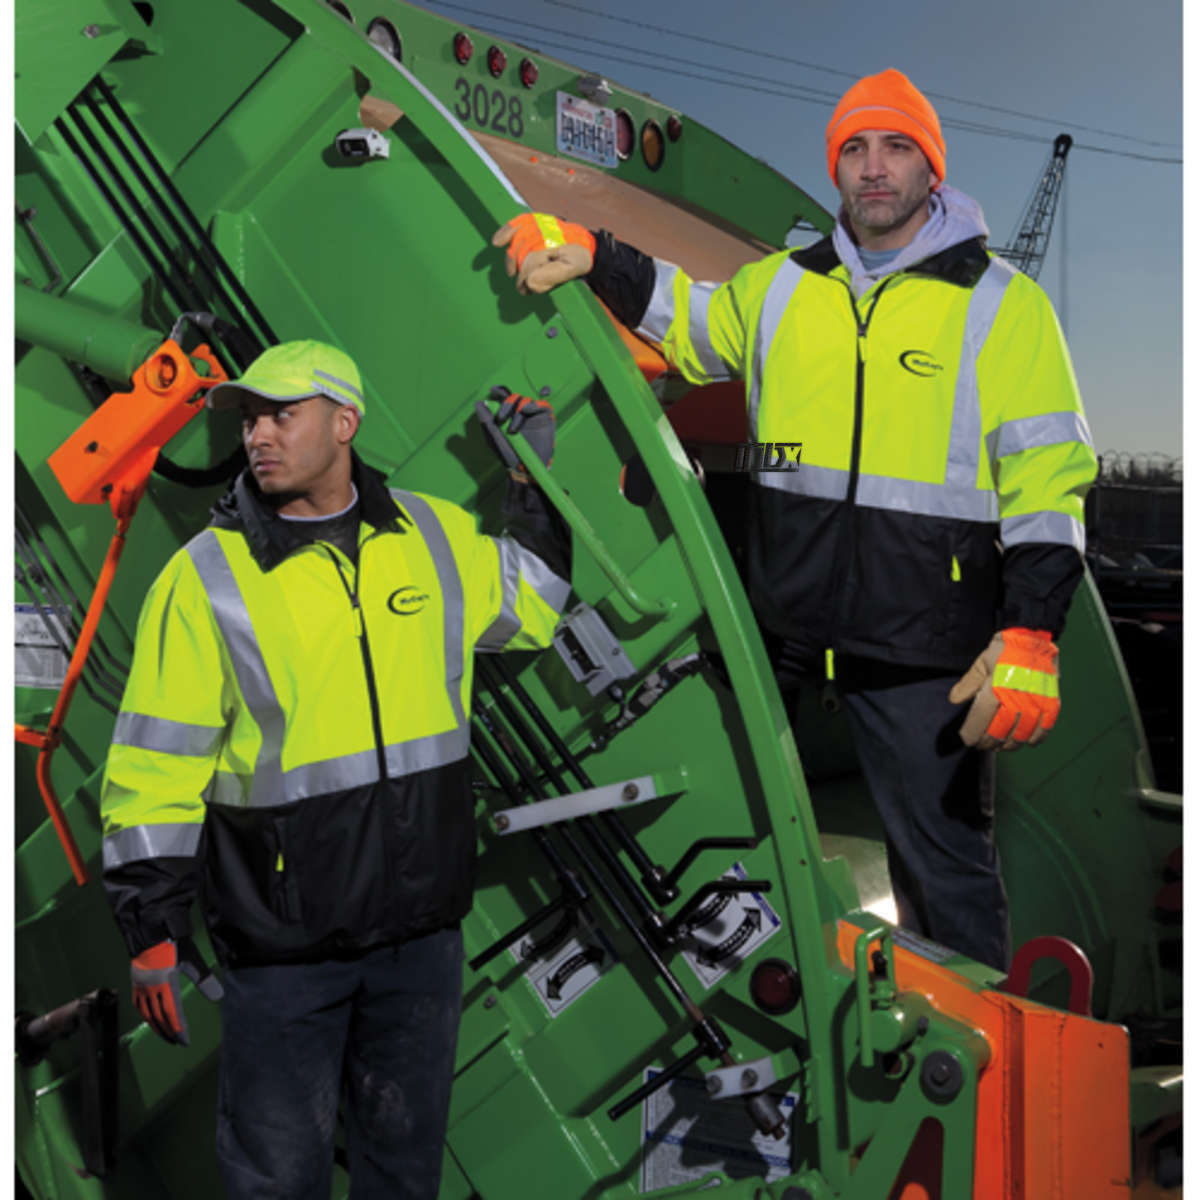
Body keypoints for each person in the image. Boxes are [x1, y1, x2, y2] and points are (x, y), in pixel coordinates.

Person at [491, 69, 1096, 971]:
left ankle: (973, 1045)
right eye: (855, 149)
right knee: (718, 821)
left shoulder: (1003, 306)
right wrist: (590, 247)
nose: (874, 168)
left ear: (931, 166)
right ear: (835, 168)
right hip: (780, 626)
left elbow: (1049, 480)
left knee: (947, 875)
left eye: (897, 147)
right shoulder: (780, 286)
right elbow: (686, 318)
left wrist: (1033, 632)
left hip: (925, 646)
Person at [99, 340, 570, 1198]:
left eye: (281, 415)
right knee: (277, 1183)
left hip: (420, 940)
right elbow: (154, 766)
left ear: (344, 422)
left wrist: (531, 483)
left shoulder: (431, 535)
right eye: (250, 418)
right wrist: (152, 927)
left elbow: (531, 604)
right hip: (285, 955)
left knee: (404, 1177)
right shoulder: (205, 579)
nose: (257, 436)